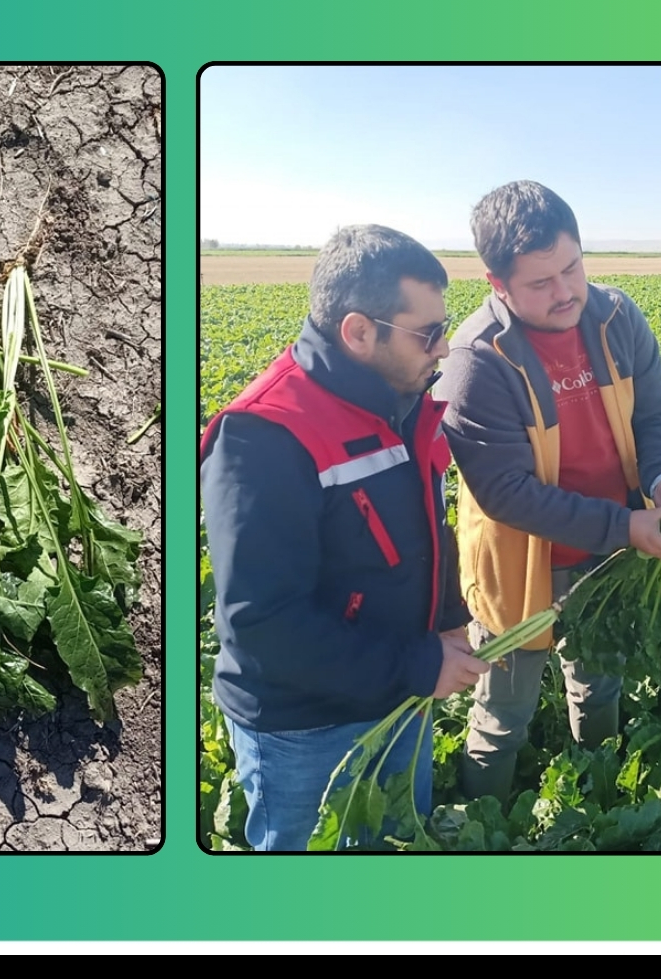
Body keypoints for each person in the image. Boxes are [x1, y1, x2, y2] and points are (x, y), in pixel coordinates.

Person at [198, 224, 490, 851]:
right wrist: (417, 664)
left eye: (445, 327)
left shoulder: (402, 400)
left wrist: (445, 619)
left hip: (397, 696)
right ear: (359, 332)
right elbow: (264, 628)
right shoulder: (262, 439)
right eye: (427, 333)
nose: (442, 349)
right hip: (305, 730)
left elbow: (420, 528)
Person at [434, 181, 661, 806]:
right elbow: (507, 495)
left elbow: (656, 414)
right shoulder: (476, 359)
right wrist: (626, 527)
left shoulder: (615, 315)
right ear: (497, 283)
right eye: (540, 283)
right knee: (504, 713)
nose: (565, 293)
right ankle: (481, 827)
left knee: (599, 682)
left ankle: (600, 802)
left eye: (572, 268)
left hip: (610, 554)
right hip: (523, 567)